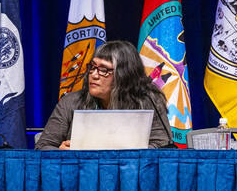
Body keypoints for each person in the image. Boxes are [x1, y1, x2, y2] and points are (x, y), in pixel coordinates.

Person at [35, 40, 174, 149]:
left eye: (104, 70)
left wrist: (124, 153)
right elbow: (42, 146)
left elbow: (163, 146)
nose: (94, 75)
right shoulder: (71, 102)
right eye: (93, 67)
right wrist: (61, 153)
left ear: (124, 75)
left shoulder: (148, 101)